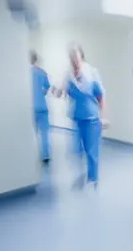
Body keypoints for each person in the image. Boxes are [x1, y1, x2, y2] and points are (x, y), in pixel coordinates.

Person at [53, 46, 106, 190]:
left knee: (92, 151)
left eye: (76, 58)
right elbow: (59, 94)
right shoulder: (67, 75)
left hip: (92, 118)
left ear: (81, 57)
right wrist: (58, 88)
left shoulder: (91, 73)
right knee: (76, 149)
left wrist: (103, 116)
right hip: (76, 117)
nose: (74, 62)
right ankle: (84, 174)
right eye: (71, 59)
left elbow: (100, 96)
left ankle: (93, 179)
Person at [31, 50, 51, 164]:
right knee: (45, 133)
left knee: (32, 134)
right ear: (35, 59)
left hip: (30, 108)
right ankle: (45, 156)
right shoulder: (42, 72)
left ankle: (32, 156)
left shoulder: (23, 73)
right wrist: (41, 93)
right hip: (42, 107)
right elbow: (47, 87)